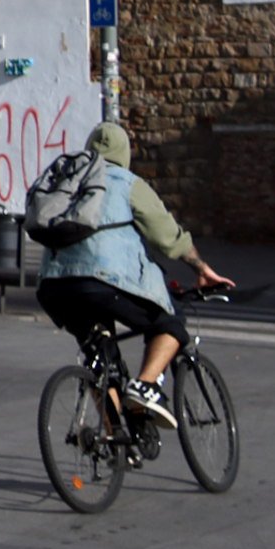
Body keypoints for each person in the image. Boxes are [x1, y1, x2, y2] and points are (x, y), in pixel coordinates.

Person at [35, 121, 232, 428]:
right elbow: (167, 236)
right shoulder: (126, 182)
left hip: (54, 287)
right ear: (124, 153)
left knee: (101, 361)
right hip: (103, 281)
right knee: (170, 322)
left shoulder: (69, 181)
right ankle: (145, 385)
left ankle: (112, 439)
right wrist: (201, 268)